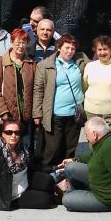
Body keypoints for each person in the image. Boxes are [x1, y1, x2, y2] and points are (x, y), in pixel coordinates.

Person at [0, 120, 55, 213]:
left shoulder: (23, 147)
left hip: (24, 182)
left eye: (17, 132)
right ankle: (14, 203)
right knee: (46, 200)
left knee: (48, 181)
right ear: (2, 134)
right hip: (9, 193)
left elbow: (33, 167)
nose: (13, 135)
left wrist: (54, 168)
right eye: (9, 132)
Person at [61, 117, 111, 221]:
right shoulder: (104, 141)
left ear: (95, 134)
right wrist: (75, 159)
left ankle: (75, 190)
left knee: (67, 200)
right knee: (70, 167)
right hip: (99, 180)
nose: (86, 138)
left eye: (86, 135)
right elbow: (96, 159)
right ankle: (74, 188)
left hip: (106, 198)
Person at [33, 34, 88, 166]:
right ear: (59, 47)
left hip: (75, 114)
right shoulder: (45, 65)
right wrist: (37, 113)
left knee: (71, 149)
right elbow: (38, 90)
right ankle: (49, 177)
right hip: (55, 114)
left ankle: (67, 178)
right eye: (67, 48)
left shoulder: (80, 61)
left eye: (73, 49)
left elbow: (99, 64)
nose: (70, 51)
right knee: (53, 149)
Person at [0, 28, 36, 138]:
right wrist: (3, 111)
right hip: (6, 115)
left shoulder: (31, 64)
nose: (21, 46)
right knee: (5, 147)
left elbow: (36, 89)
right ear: (11, 42)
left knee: (23, 148)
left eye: (24, 43)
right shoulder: (0, 62)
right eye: (18, 42)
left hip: (25, 117)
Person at [83, 36, 111, 134]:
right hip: (91, 112)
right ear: (96, 51)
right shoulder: (90, 66)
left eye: (105, 49)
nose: (102, 52)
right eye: (99, 49)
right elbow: (84, 87)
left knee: (108, 145)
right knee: (93, 143)